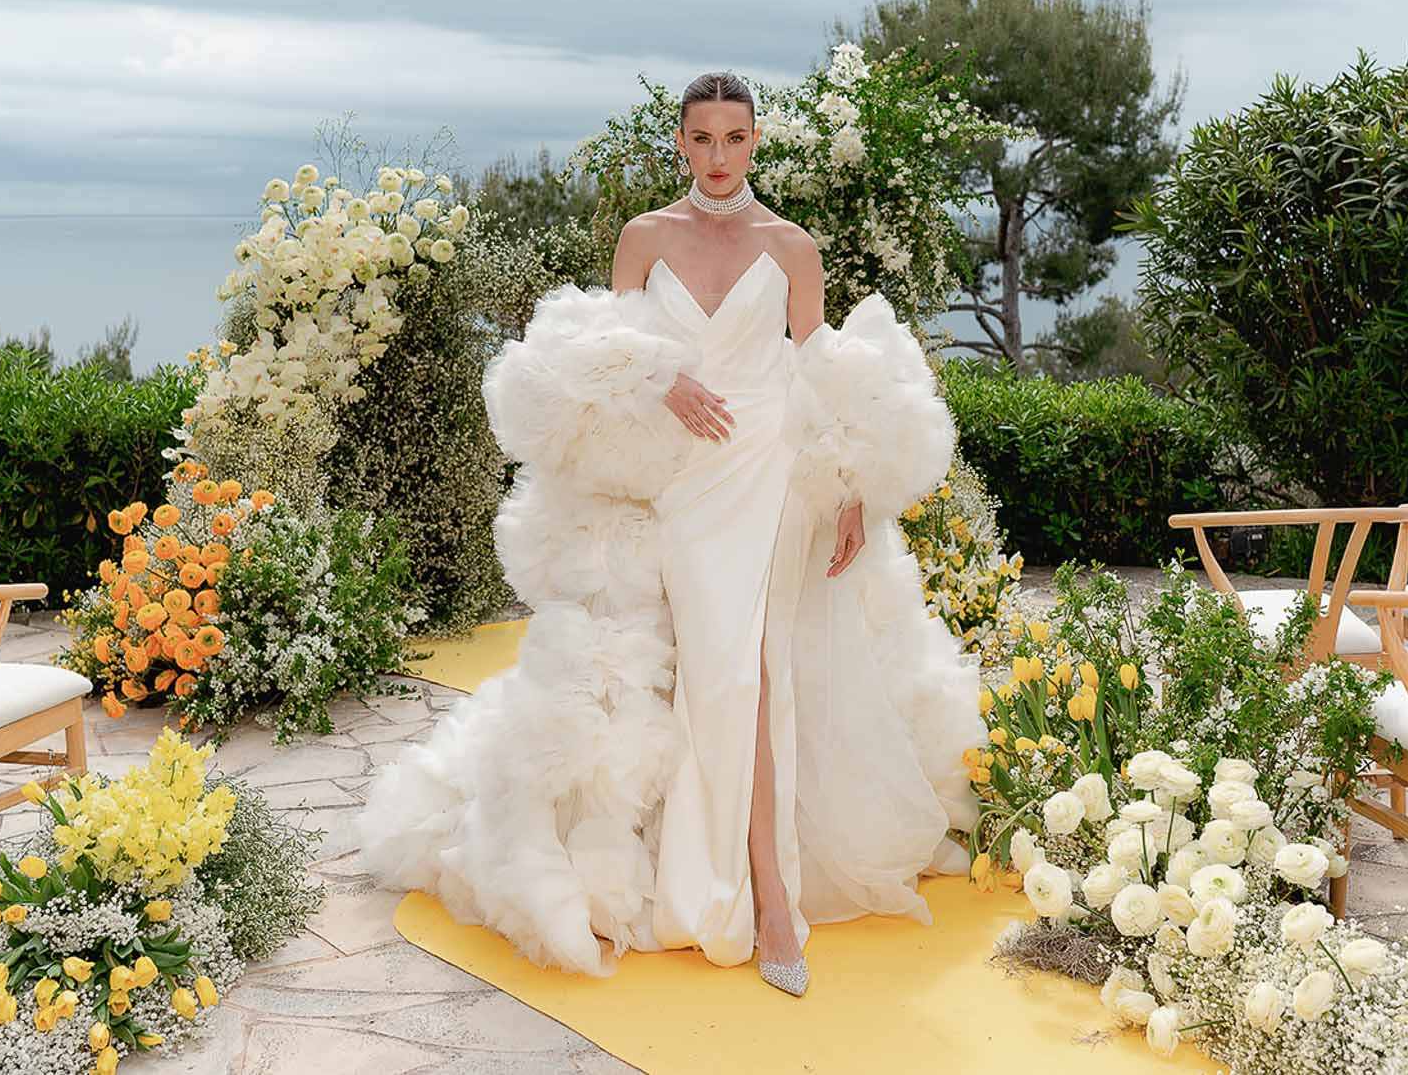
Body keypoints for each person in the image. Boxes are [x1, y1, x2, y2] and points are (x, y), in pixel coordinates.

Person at [352, 70, 982, 998]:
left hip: (769, 475)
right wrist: (660, 379)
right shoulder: (644, 238)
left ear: (756, 142)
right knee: (684, 671)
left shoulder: (793, 248)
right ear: (680, 143)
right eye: (703, 138)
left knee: (749, 670)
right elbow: (598, 359)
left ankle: (769, 897)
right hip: (677, 487)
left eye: (736, 137)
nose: (719, 156)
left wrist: (852, 487)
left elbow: (821, 378)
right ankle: (666, 864)